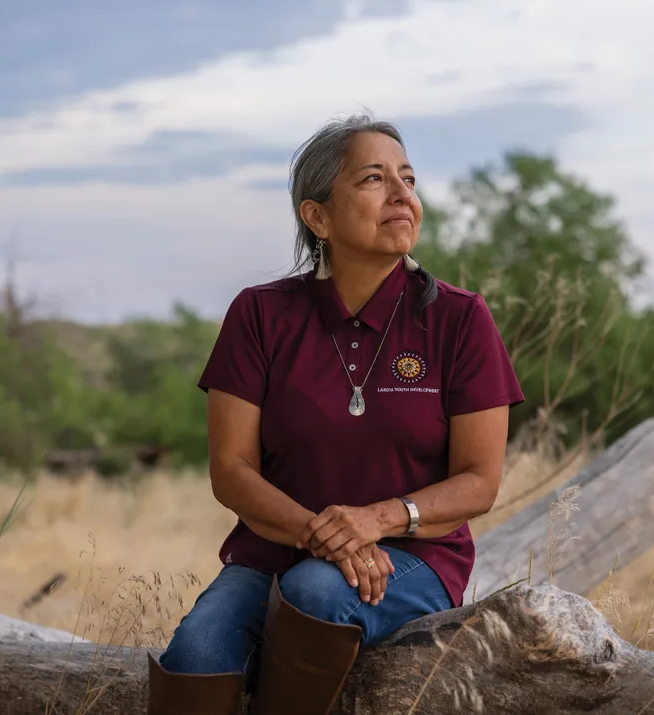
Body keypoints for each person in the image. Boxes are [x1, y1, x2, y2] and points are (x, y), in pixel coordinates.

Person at [147, 113, 524, 715]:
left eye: (408, 179)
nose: (403, 196)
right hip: (272, 552)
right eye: (374, 179)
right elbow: (232, 469)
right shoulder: (259, 316)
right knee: (196, 654)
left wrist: (375, 521)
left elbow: (480, 481)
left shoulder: (459, 319)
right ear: (316, 215)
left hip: (414, 559)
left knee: (317, 591)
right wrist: (321, 535)